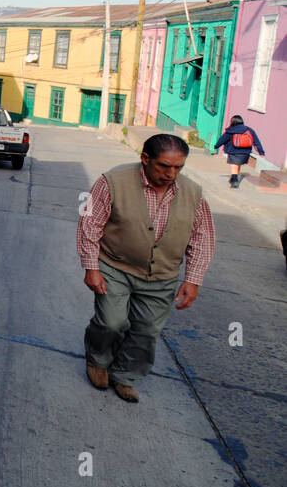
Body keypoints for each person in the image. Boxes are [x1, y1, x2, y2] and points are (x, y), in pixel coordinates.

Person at [77, 133, 215, 403]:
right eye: (164, 166)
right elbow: (90, 224)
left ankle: (125, 375)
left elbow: (203, 239)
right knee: (111, 322)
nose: (171, 173)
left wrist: (193, 279)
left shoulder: (193, 193)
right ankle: (98, 361)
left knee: (147, 330)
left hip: (162, 275)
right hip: (114, 266)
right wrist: (91, 267)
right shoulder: (113, 181)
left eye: (178, 167)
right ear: (145, 159)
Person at [211, 115, 265, 188]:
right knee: (238, 165)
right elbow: (256, 141)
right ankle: (233, 178)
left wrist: (216, 146)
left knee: (234, 166)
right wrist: (261, 152)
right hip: (245, 153)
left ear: (232, 122)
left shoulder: (230, 130)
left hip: (233, 151)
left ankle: (235, 181)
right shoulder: (249, 130)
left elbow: (222, 139)